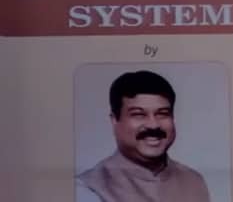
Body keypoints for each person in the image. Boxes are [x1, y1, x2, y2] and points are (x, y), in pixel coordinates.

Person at [76, 70, 210, 202]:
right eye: (138, 114)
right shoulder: (89, 188)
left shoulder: (194, 181)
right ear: (114, 121)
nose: (153, 125)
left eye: (162, 113)